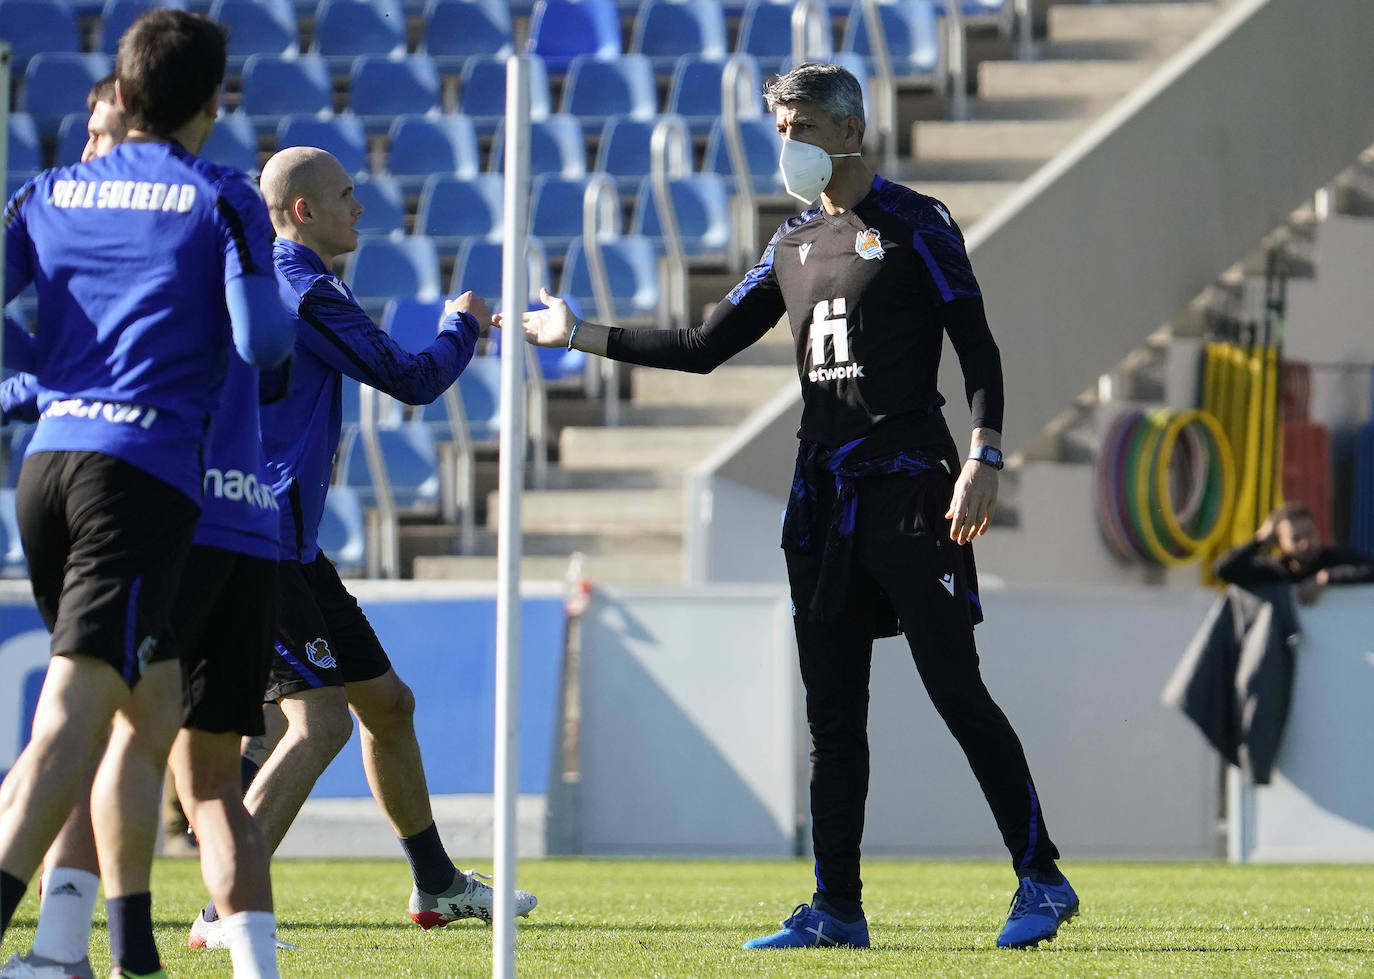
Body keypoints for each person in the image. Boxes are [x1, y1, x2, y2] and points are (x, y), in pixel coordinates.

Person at [496, 62, 1076, 950]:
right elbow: (701, 346)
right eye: (778, 129)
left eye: (799, 127)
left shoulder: (918, 222)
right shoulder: (791, 243)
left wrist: (987, 452)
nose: (786, 145)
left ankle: (1040, 876)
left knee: (953, 685)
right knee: (833, 714)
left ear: (848, 131)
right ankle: (837, 908)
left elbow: (979, 347)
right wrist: (576, 333)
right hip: (822, 498)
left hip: (912, 481)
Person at [0, 9, 294, 978]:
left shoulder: (47, 190)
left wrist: (44, 379)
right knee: (71, 720)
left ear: (118, 95)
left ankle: (125, 951)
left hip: (44, 469)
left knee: (148, 699)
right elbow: (265, 346)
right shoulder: (223, 198)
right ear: (215, 104)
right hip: (142, 475)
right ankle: (27, 937)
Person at [185, 145, 536, 949]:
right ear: (303, 210)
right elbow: (410, 378)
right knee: (319, 724)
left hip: (288, 541)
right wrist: (464, 324)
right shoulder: (302, 290)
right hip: (258, 536)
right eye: (347, 195)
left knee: (388, 704)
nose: (361, 209)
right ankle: (223, 911)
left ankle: (437, 883)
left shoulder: (272, 280)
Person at [1214, 501, 1374, 605]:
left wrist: (1327, 577)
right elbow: (1223, 570)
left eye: (1309, 533)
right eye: (1295, 538)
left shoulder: (1335, 559)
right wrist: (1260, 540)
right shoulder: (1272, 571)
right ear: (1280, 542)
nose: (1305, 543)